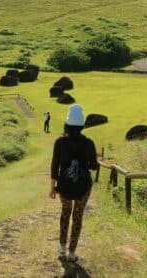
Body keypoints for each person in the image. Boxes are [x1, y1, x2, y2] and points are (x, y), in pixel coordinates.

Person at [50, 104, 99, 262]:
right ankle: (72, 252)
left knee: (65, 213)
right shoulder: (89, 143)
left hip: (64, 186)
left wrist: (52, 188)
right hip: (83, 187)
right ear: (82, 125)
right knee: (77, 217)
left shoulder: (59, 142)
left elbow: (54, 166)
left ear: (67, 123)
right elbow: (94, 166)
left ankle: (62, 246)